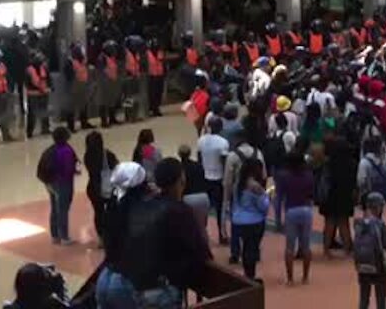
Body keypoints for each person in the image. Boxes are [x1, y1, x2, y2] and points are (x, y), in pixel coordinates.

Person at [97, 159, 211, 309]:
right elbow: (200, 250)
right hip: (148, 288)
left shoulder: (125, 207)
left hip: (108, 278)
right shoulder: (176, 210)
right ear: (181, 180)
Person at [275, 151, 315, 285]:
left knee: (289, 247)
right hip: (306, 209)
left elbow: (279, 198)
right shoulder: (309, 176)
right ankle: (305, 277)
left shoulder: (283, 177)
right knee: (306, 246)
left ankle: (290, 278)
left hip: (291, 210)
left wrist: (277, 218)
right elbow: (311, 195)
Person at [39, 127, 79, 245]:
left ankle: (55, 235)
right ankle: (64, 237)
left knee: (54, 208)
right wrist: (74, 171)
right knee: (63, 210)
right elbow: (68, 168)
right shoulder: (66, 150)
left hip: (50, 182)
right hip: (63, 183)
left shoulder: (49, 150)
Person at [230, 158, 269, 281]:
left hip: (238, 220)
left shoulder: (238, 184)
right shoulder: (255, 187)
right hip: (254, 220)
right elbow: (263, 206)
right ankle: (250, 276)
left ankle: (248, 274)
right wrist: (266, 196)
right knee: (252, 248)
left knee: (246, 247)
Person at [354, 192, 386, 309]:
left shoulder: (358, 223)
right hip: (378, 264)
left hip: (362, 264)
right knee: (381, 298)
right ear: (379, 207)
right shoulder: (380, 224)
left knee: (364, 297)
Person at [197, 116, 231, 245]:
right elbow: (224, 161)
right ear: (221, 127)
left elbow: (199, 158)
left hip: (205, 177)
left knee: (205, 209)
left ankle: (203, 234)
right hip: (218, 178)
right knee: (220, 209)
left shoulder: (201, 140)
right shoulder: (223, 142)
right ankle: (222, 235)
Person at [84, 131, 117, 247]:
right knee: (112, 211)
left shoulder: (87, 156)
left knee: (98, 213)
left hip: (93, 188)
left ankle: (101, 238)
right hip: (108, 188)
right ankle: (112, 235)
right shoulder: (107, 155)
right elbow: (116, 168)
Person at [24, 51, 51, 139]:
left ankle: (45, 129)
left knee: (44, 111)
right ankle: (30, 131)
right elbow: (27, 83)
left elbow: (48, 79)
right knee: (32, 113)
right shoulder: (29, 70)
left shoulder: (44, 68)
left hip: (43, 92)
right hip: (33, 94)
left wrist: (49, 88)